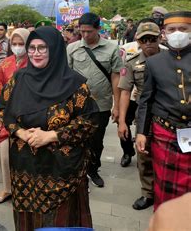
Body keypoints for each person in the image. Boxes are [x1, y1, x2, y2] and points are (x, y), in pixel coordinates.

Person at [0, 26, 98, 230]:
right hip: (25, 167)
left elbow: (89, 122)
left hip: (62, 170)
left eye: (42, 48)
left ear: (55, 49)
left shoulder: (75, 84)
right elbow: (2, 110)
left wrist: (51, 135)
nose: (36, 53)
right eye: (32, 48)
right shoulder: (19, 79)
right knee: (28, 220)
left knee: (61, 221)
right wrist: (20, 132)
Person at [136, 11, 190, 210]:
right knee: (166, 188)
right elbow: (146, 100)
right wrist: (141, 132)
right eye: (172, 29)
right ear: (164, 33)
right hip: (165, 133)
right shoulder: (154, 62)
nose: (177, 33)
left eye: (183, 29)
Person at [67, 12, 123, 188]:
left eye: (89, 31)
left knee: (96, 140)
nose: (84, 35)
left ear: (98, 29)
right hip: (77, 105)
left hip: (101, 104)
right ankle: (77, 170)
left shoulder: (111, 48)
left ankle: (93, 168)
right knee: (75, 138)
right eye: (81, 31)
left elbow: (115, 77)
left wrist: (117, 106)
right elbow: (66, 76)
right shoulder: (72, 48)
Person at [117, 21, 162, 210]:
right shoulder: (132, 63)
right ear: (138, 42)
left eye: (153, 39)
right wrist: (121, 121)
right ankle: (148, 193)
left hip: (169, 114)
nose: (149, 43)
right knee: (144, 156)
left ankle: (167, 192)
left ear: (160, 38)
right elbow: (125, 92)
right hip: (145, 116)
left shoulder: (171, 59)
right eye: (145, 40)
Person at [0, 28, 29, 204]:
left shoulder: (35, 62)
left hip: (29, 116)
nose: (17, 47)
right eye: (14, 44)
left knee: (27, 154)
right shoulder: (5, 64)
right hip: (7, 115)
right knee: (5, 153)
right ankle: (7, 188)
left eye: (21, 44)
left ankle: (27, 189)